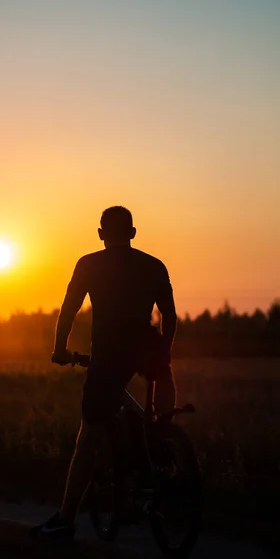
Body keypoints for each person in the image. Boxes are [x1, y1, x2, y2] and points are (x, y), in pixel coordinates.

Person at [31, 206, 177, 539]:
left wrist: (59, 349)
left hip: (110, 352)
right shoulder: (154, 265)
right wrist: (164, 351)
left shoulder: (89, 264)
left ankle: (65, 520)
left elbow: (69, 308)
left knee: (90, 435)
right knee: (162, 382)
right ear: (133, 232)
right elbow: (170, 317)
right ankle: (166, 441)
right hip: (146, 344)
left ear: (100, 234)